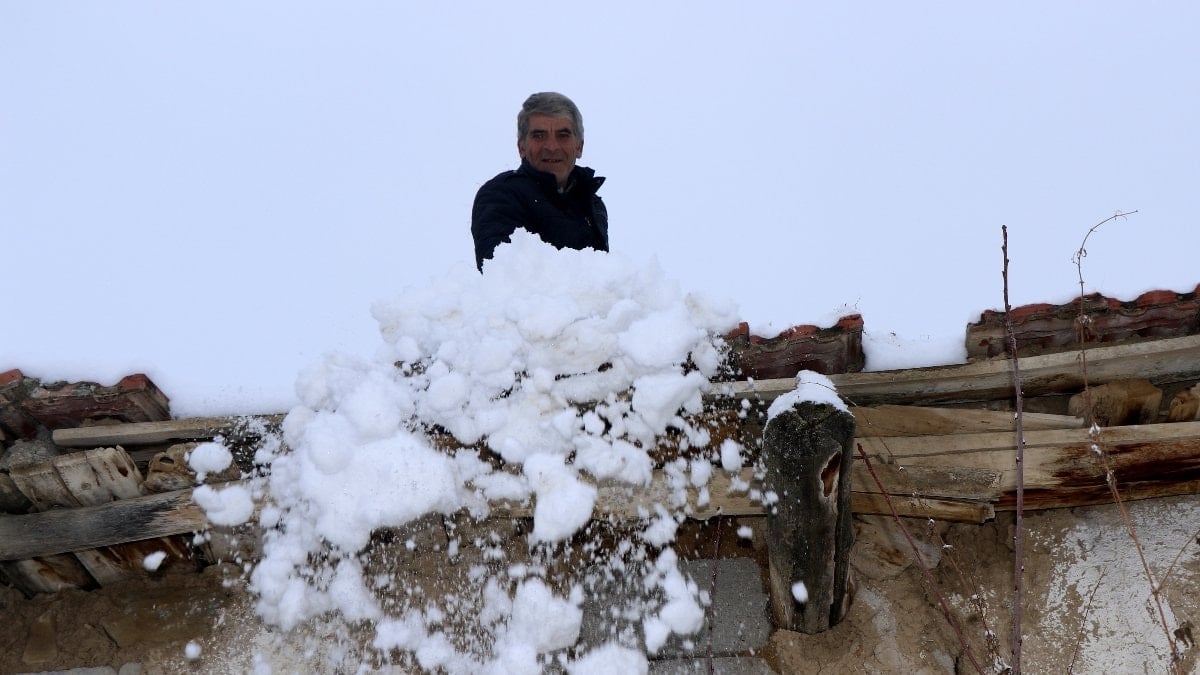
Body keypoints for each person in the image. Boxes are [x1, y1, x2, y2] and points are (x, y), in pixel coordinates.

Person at [471, 92, 609, 270]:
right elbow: (503, 273)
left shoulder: (592, 205)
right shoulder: (501, 195)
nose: (551, 147)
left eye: (563, 135)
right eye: (539, 135)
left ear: (579, 147)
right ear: (521, 147)